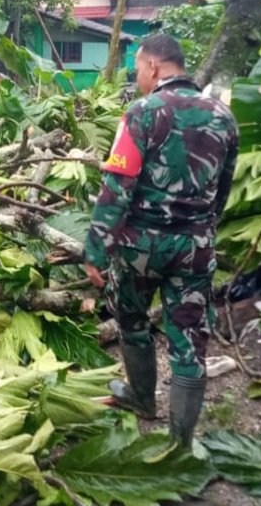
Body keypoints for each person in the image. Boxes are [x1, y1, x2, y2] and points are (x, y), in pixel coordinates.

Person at [84, 34, 238, 449]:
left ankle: (141, 398)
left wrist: (96, 249)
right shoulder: (223, 117)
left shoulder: (142, 113)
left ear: (153, 66)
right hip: (194, 248)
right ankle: (182, 442)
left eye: (137, 68)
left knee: (132, 319)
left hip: (141, 249)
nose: (137, 77)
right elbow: (223, 189)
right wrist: (201, 231)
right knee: (189, 340)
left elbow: (117, 186)